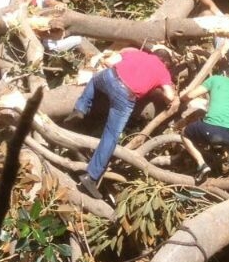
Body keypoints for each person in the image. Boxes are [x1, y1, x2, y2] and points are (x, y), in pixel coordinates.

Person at [68, 46, 180, 198]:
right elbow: (169, 96)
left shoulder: (137, 53)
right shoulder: (163, 70)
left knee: (95, 79)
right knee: (111, 136)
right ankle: (91, 177)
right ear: (165, 62)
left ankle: (80, 108)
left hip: (108, 77)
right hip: (125, 95)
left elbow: (108, 62)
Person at [180, 62, 229, 182]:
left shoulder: (216, 79)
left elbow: (191, 95)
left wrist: (182, 98)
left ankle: (201, 164)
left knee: (184, 133)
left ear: (224, 73)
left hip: (211, 130)